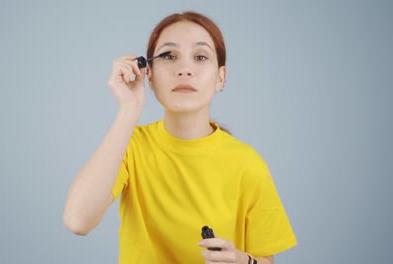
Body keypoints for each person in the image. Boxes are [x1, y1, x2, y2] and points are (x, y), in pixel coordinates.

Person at [64, 11, 297, 264]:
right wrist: (129, 109)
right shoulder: (130, 147)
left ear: (221, 78)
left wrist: (244, 261)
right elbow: (78, 221)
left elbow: (265, 260)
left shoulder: (248, 163)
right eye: (169, 56)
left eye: (200, 57)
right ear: (149, 75)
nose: (184, 69)